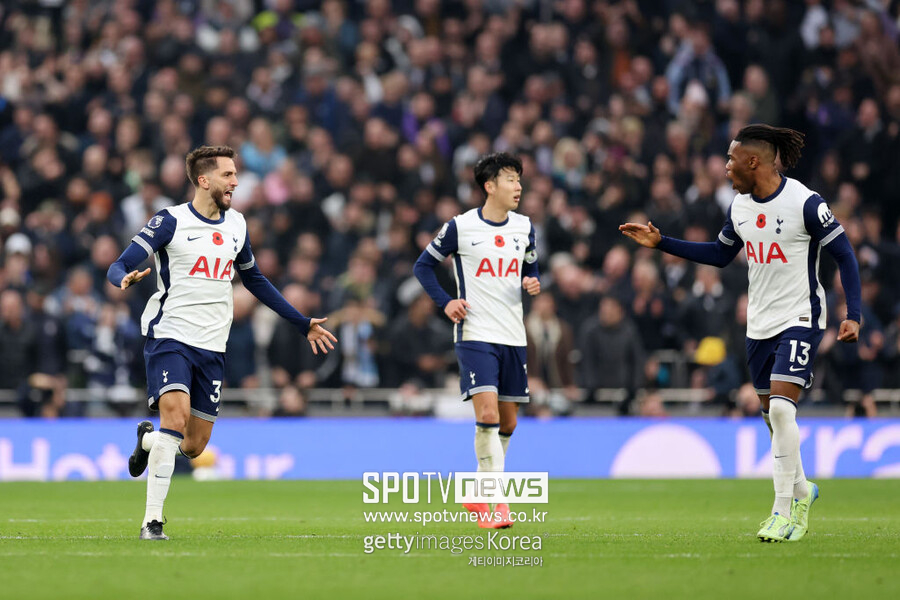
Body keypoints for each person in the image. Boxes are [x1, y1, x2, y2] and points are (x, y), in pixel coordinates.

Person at [620, 125, 861, 542]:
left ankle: (784, 511)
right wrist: (662, 244)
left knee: (784, 411)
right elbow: (719, 253)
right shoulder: (740, 207)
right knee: (773, 417)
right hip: (759, 324)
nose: (725, 167)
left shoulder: (805, 202)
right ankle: (803, 488)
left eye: (731, 159)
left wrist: (853, 313)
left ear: (754, 161)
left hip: (801, 317)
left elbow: (845, 255)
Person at [107, 146, 337, 540]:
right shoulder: (170, 221)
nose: (234, 182)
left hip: (213, 345)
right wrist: (122, 280)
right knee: (175, 420)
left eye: (234, 175)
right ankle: (152, 522)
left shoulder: (237, 225)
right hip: (170, 335)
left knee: (193, 445)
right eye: (228, 175)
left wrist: (302, 324)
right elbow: (119, 263)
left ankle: (147, 441)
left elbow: (256, 280)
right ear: (203, 180)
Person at [413, 152, 540, 529]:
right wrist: (446, 301)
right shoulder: (460, 227)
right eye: (510, 180)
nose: (518, 187)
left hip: (513, 335)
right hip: (475, 334)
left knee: (509, 423)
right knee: (487, 415)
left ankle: (476, 491)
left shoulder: (524, 227)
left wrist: (532, 282)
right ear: (490, 186)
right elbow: (423, 266)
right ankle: (496, 503)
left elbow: (530, 268)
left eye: (519, 180)